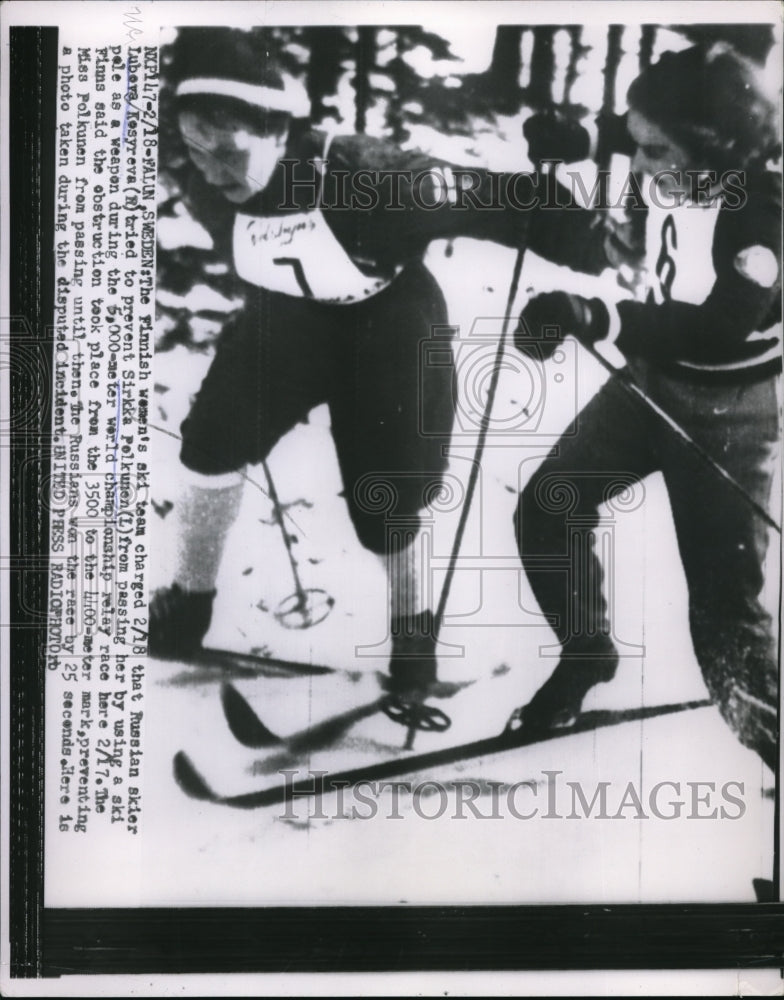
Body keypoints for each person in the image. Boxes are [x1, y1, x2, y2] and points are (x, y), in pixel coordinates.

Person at [149, 28, 615, 697]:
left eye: (227, 150)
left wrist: (595, 246)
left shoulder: (369, 179)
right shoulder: (204, 181)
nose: (212, 169)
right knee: (211, 444)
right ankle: (187, 602)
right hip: (287, 322)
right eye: (196, 149)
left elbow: (499, 200)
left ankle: (413, 638)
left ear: (279, 129)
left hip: (387, 328)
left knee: (388, 502)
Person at [510, 43, 782, 769]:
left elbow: (720, 326)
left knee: (724, 624)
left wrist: (598, 318)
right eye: (638, 149)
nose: (641, 167)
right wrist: (580, 138)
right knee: (551, 505)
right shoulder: (687, 149)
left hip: (728, 411)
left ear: (714, 151)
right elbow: (634, 127)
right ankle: (586, 652)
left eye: (657, 154)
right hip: (649, 383)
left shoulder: (762, 214)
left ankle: (776, 749)